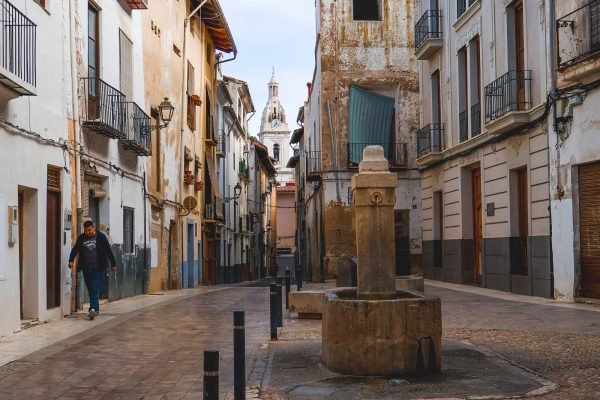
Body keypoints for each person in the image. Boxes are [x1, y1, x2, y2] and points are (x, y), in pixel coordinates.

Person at [68, 220, 117, 320]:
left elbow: (108, 250)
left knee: (94, 287)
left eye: (89, 230)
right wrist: (71, 260)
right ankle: (95, 309)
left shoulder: (101, 237)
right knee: (91, 288)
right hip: (85, 267)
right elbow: (75, 249)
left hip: (98, 267)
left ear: (94, 228)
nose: (88, 232)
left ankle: (93, 309)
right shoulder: (82, 238)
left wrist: (113, 264)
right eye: (86, 230)